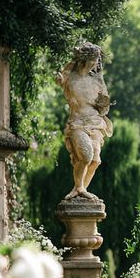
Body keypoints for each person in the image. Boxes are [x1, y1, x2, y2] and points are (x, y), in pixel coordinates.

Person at [57, 41, 113, 200]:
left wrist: (103, 104)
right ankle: (79, 188)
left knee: (95, 160)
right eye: (94, 59)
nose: (96, 63)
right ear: (85, 59)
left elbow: (105, 108)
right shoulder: (70, 76)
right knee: (86, 155)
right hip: (77, 123)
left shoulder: (97, 80)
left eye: (97, 60)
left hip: (95, 123)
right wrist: (59, 79)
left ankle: (79, 189)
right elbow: (61, 81)